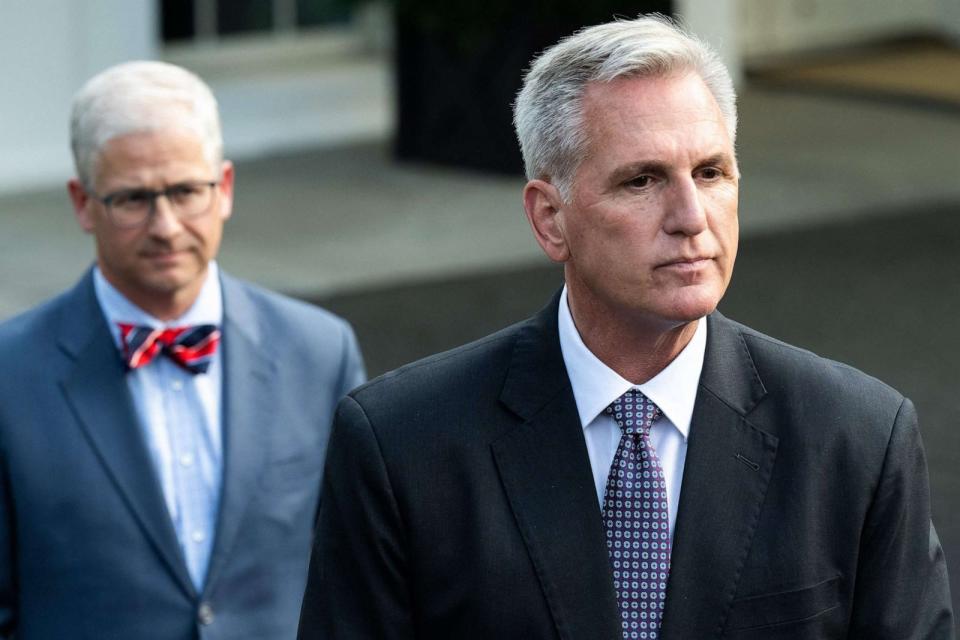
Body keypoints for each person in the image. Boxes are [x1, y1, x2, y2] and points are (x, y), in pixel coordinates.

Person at [298, 14, 954, 640]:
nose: (691, 216)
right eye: (642, 180)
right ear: (550, 218)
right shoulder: (402, 446)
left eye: (711, 172)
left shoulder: (856, 436)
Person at [0, 61, 365, 640]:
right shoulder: (9, 374)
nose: (165, 226)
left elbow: (359, 579)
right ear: (81, 203)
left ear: (223, 189)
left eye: (184, 191)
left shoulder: (319, 350)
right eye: (133, 199)